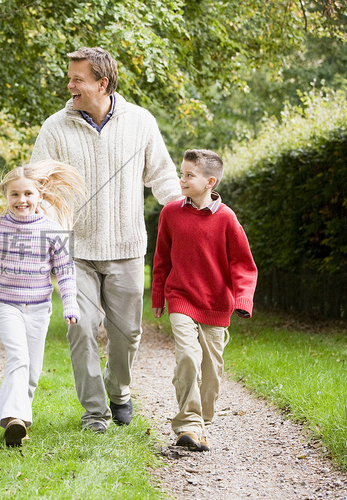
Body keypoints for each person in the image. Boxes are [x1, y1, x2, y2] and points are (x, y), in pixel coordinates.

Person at [30, 46, 182, 432]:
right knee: (80, 328)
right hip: (74, 251)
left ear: (103, 82)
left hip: (126, 248)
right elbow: (38, 186)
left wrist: (188, 212)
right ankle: (95, 412)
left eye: (77, 79)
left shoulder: (140, 122)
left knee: (127, 334)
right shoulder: (55, 127)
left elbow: (163, 177)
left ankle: (119, 391)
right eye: (70, 78)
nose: (70, 85)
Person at [0, 160, 86, 446]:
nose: (21, 200)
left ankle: (20, 422)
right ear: (6, 196)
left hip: (39, 307)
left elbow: (64, 271)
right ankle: (11, 417)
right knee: (18, 357)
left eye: (27, 194)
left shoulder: (51, 230)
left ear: (39, 196)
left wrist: (70, 304)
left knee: (32, 370)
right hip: (7, 305)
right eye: (15, 194)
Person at [152, 149, 258, 451]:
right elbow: (161, 259)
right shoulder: (170, 213)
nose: (181, 179)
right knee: (187, 356)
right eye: (181, 173)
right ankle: (188, 426)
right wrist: (159, 293)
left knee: (211, 373)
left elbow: (243, 265)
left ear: (209, 181)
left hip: (216, 304)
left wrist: (243, 300)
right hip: (181, 297)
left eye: (189, 175)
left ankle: (202, 423)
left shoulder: (226, 219)